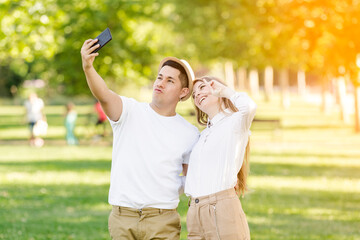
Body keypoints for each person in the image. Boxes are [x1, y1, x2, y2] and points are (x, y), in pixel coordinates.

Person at [80, 38, 199, 240]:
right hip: (122, 218)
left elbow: (190, 180)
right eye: (159, 77)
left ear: (184, 92)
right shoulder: (130, 110)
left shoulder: (190, 133)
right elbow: (105, 95)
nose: (160, 83)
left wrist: (164, 188)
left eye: (170, 80)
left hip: (162, 219)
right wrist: (88, 67)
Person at [185, 76, 257, 240]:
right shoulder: (202, 136)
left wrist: (225, 91)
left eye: (202, 88)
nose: (197, 95)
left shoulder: (235, 122)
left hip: (221, 208)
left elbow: (250, 106)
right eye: (194, 94)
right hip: (195, 212)